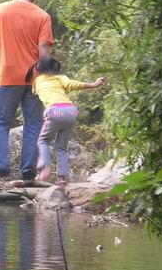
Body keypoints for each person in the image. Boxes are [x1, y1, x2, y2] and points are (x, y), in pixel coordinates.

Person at [0, 0, 54, 182]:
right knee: (33, 124)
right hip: (35, 79)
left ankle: (1, 167)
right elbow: (44, 50)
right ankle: (28, 170)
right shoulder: (42, 16)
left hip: (8, 77)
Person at [26, 56, 106, 185]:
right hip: (71, 111)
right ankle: (62, 179)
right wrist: (93, 84)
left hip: (54, 111)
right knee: (61, 148)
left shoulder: (38, 81)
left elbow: (36, 91)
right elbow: (73, 84)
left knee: (43, 141)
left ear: (39, 69)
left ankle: (45, 169)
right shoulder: (61, 78)